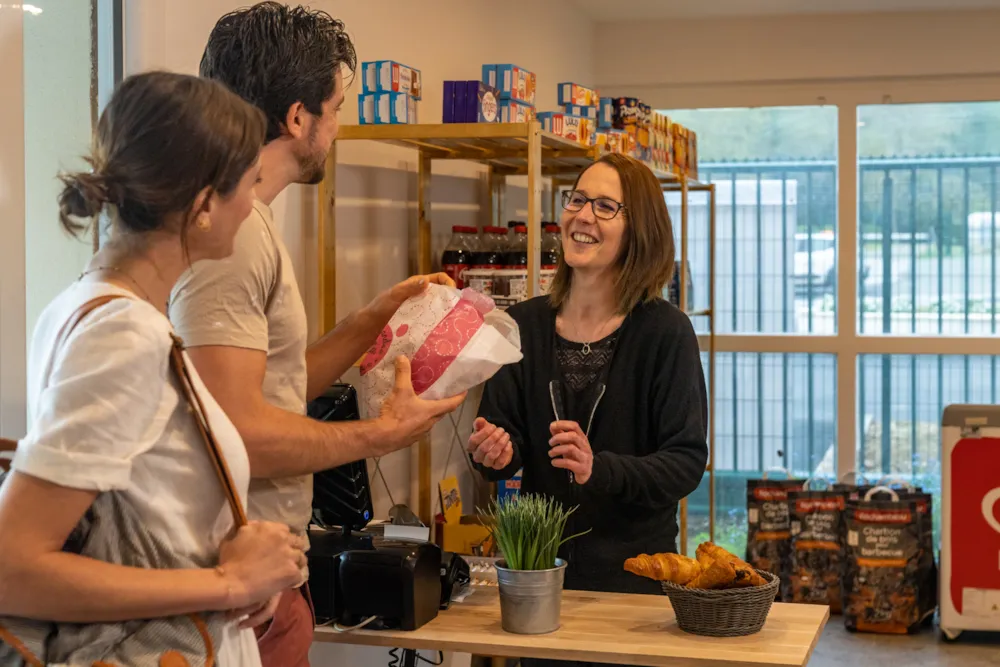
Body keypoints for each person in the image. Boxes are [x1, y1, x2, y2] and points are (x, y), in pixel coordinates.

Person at [169, 4, 465, 663]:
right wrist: (380, 434)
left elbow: (272, 386)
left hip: (265, 581)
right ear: (298, 117)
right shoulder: (237, 234)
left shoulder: (251, 223)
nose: (338, 124)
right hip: (244, 592)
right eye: (335, 105)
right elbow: (236, 431)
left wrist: (371, 321)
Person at [0, 71, 305, 666]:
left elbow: (141, 517)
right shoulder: (124, 335)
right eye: (248, 185)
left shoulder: (87, 306)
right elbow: (12, 566)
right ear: (202, 208)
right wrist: (229, 585)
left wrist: (242, 566)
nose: (253, 206)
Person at [469, 153, 709, 667]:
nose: (583, 216)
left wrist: (600, 468)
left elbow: (686, 461)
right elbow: (502, 446)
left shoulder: (666, 334)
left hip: (633, 588)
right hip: (538, 579)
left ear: (639, 230)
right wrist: (494, 452)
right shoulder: (523, 326)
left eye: (605, 207)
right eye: (578, 200)